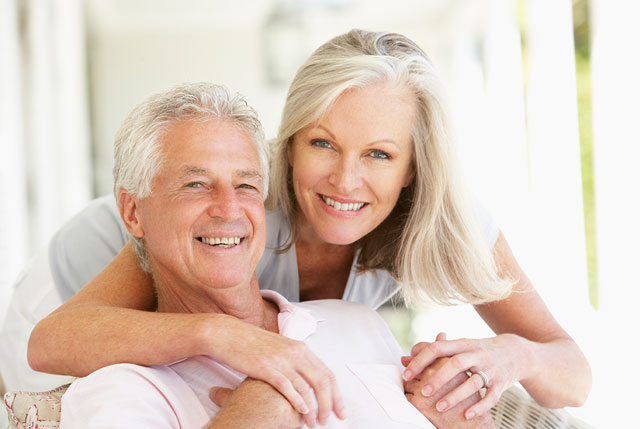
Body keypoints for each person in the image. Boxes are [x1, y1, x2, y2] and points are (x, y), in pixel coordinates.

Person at [24, 29, 590, 424]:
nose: (346, 180)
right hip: (77, 282)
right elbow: (50, 342)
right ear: (288, 144)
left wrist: (516, 355)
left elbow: (574, 374)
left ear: (414, 167)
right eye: (323, 143)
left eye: (378, 154)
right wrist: (223, 334)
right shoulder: (235, 205)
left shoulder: (446, 221)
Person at [59, 82, 492, 429]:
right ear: (134, 214)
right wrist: (268, 405)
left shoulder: (353, 319)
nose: (228, 209)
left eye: (246, 185)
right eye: (195, 185)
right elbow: (47, 343)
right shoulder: (124, 389)